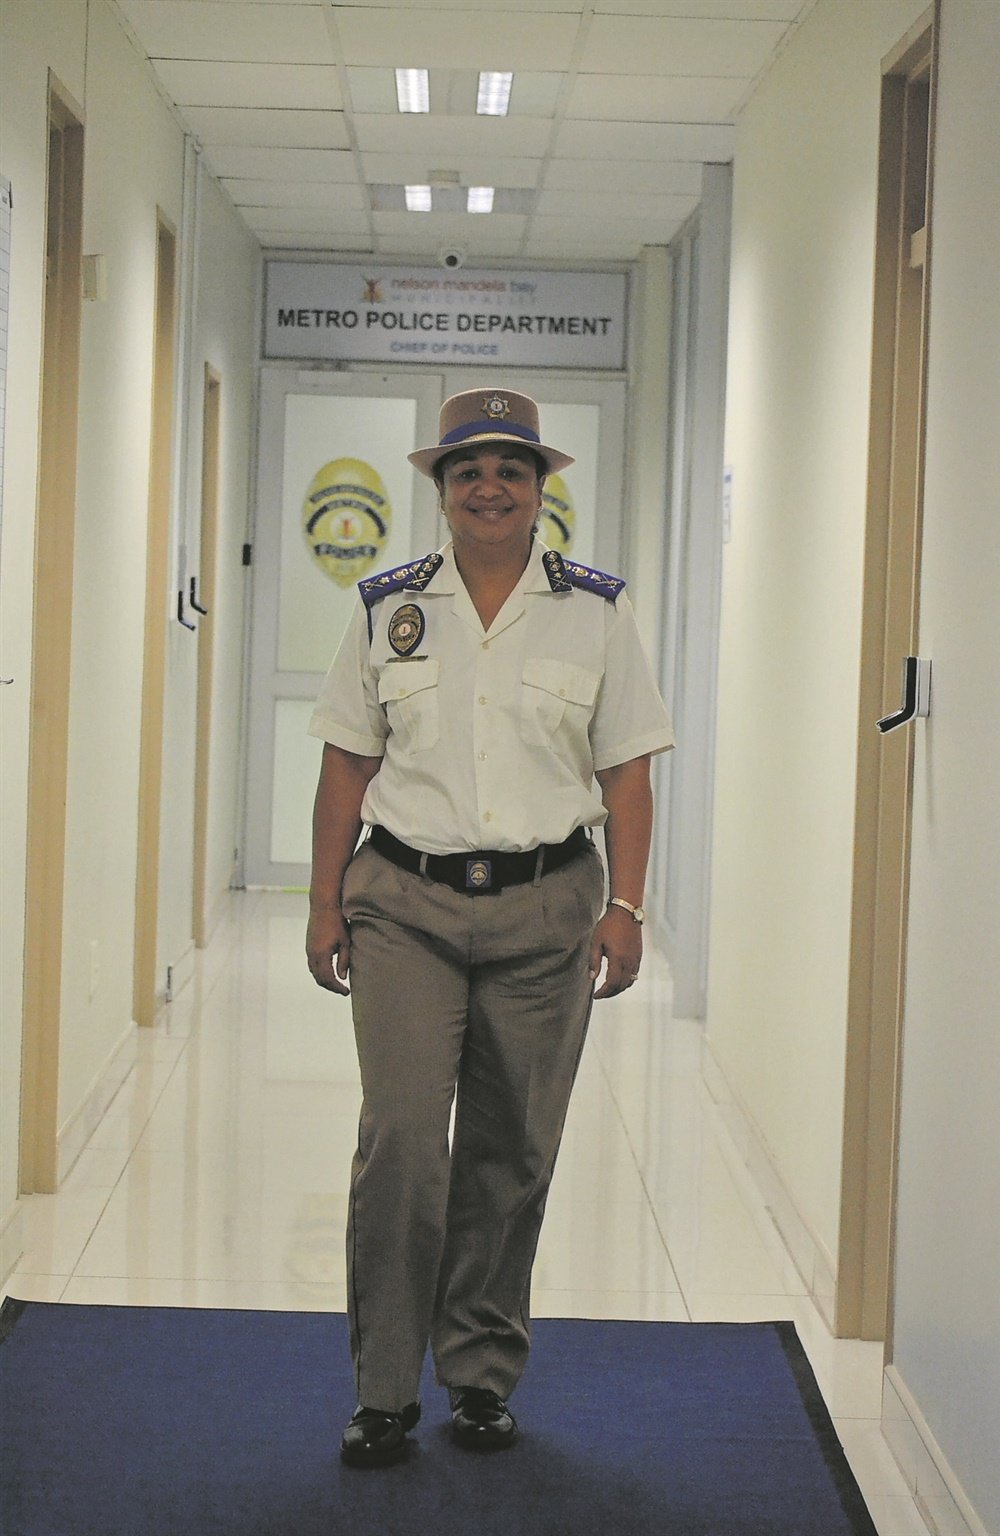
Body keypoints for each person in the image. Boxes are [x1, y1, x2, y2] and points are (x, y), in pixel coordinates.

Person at [305, 389, 674, 1468]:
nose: (490, 488)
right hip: (404, 903)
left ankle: (477, 1372)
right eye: (468, 470)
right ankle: (383, 1389)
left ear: (540, 487)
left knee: (511, 1148)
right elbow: (345, 763)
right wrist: (324, 902)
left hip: (545, 905)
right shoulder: (387, 607)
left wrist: (626, 907)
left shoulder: (596, 613)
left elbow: (627, 771)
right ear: (441, 489)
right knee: (402, 1143)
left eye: (512, 469)